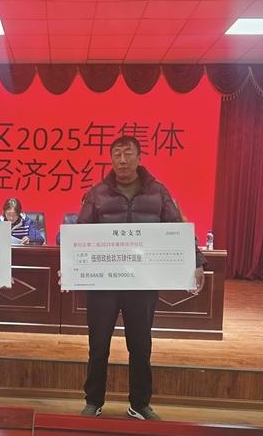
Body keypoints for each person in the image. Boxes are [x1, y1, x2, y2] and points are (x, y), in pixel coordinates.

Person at [76, 136, 205, 420]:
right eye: (117, 154)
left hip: (143, 283)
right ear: (111, 159)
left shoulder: (158, 192)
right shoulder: (97, 193)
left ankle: (140, 403)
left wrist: (197, 261)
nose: (122, 160)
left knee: (140, 345)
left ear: (139, 157)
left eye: (128, 153)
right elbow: (80, 233)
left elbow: (177, 228)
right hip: (104, 284)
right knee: (98, 345)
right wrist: (70, 264)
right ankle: (93, 401)